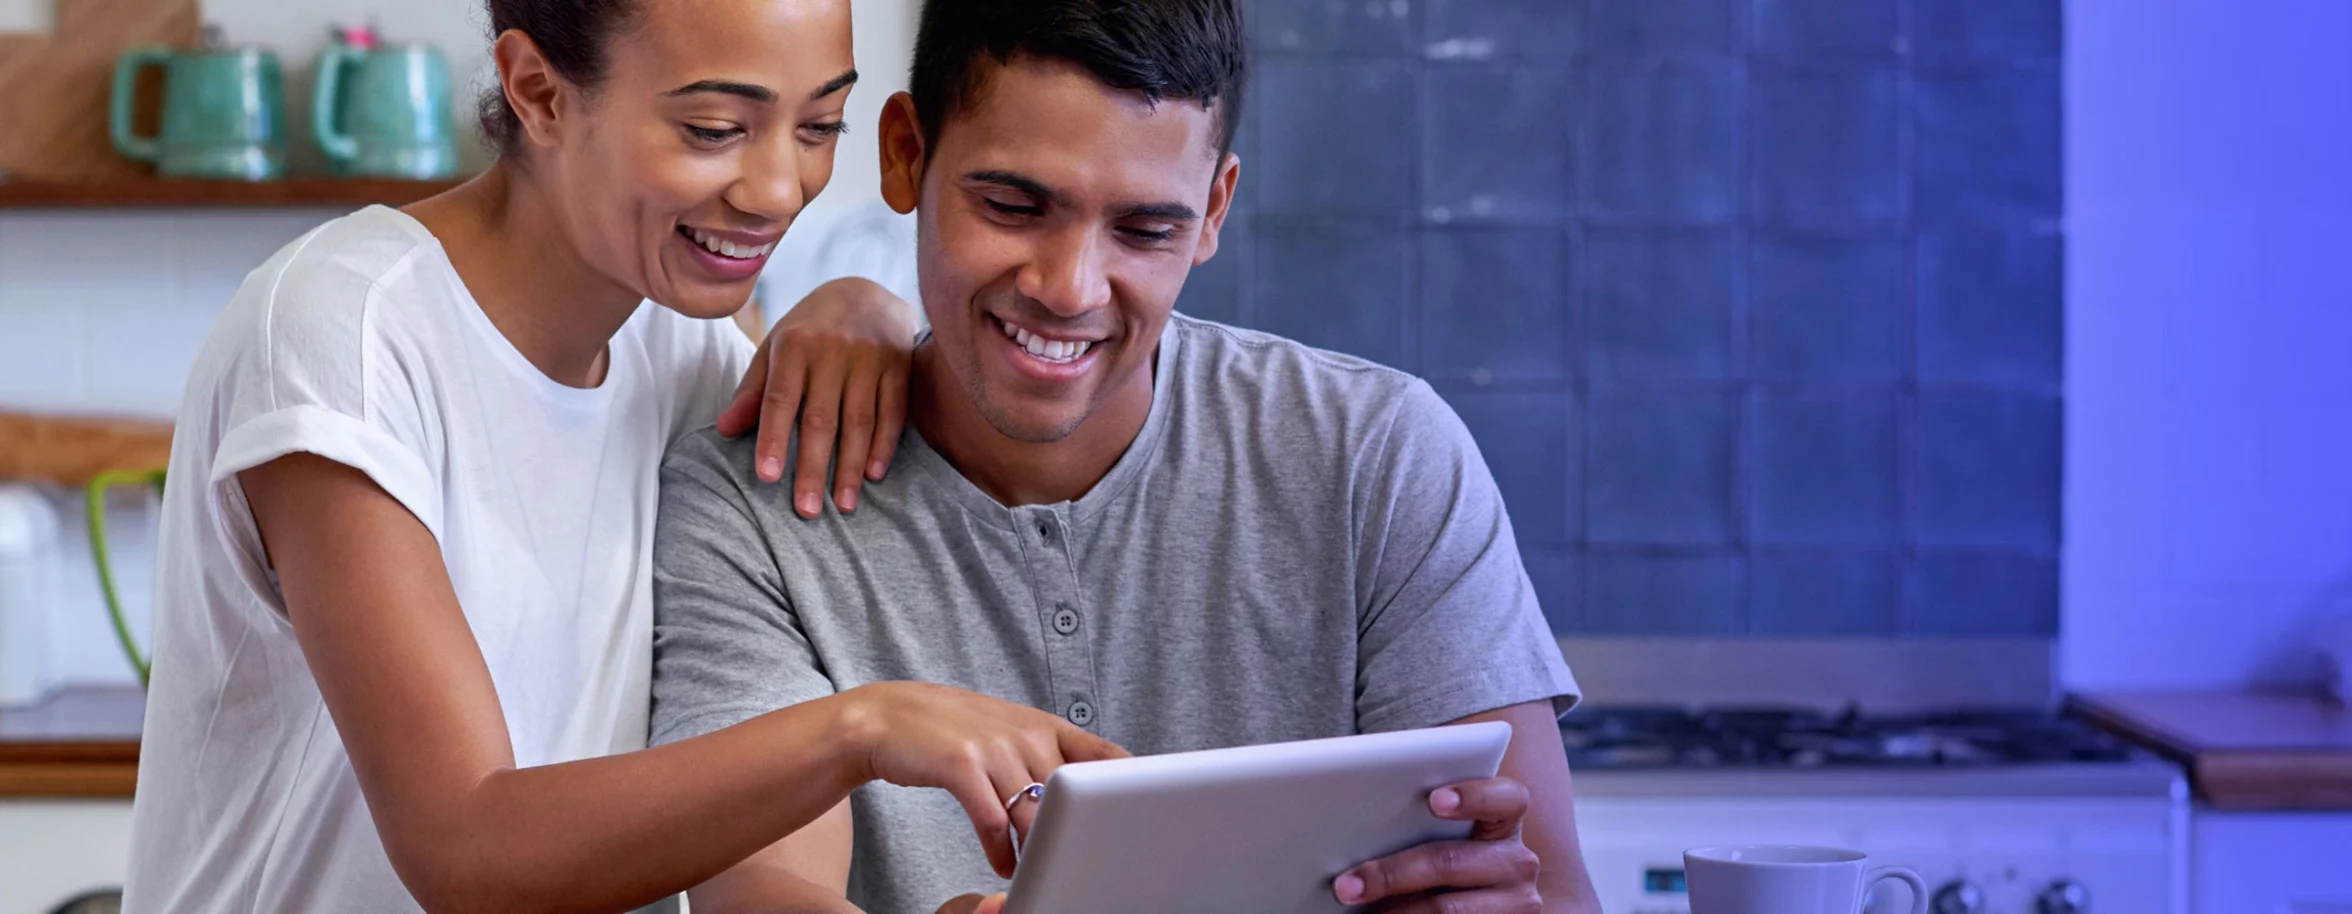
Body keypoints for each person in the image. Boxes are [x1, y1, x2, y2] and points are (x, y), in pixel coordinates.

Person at [121, 1, 1126, 912]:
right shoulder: (345, 331)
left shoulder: (687, 352)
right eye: (713, 130)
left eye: (819, 126)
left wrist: (861, 306)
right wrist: (860, 727)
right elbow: (465, 849)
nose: (781, 187)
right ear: (538, 92)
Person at [648, 0, 1600, 911]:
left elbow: (1548, 888)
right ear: (907, 153)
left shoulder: (1380, 459)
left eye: (1146, 229)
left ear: (1216, 206)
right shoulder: (753, 500)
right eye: (1015, 205)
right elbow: (765, 892)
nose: (1069, 289)